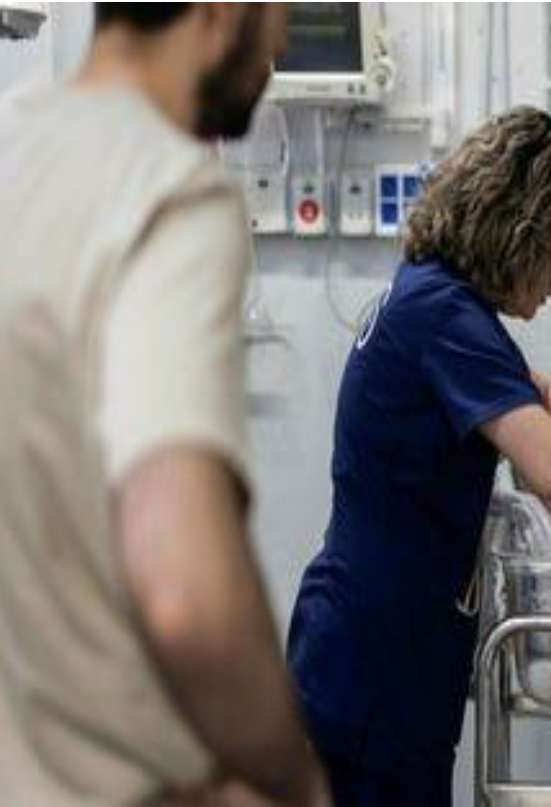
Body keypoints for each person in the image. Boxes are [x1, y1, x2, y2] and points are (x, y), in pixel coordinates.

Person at [287, 106, 551, 806]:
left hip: (385, 652)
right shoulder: (443, 315)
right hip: (373, 668)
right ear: (524, 235)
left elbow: (543, 394)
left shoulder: (435, 298)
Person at [0, 4, 328, 805]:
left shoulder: (12, 147)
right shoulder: (169, 193)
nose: (282, 41)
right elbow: (186, 596)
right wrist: (294, 776)